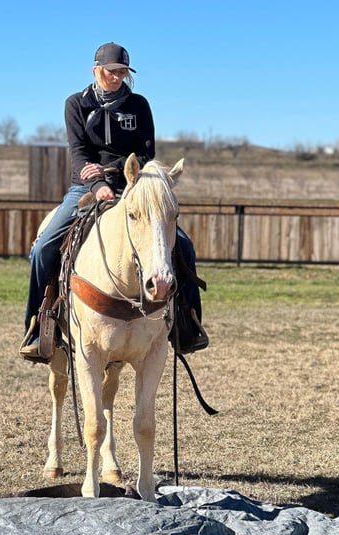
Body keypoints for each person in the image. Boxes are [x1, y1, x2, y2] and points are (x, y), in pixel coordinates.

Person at [20, 42, 208, 361]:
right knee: (43, 247)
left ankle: (187, 326)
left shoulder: (139, 105)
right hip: (84, 188)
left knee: (183, 245)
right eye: (112, 71)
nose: (117, 77)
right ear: (97, 70)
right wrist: (95, 183)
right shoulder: (75, 104)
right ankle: (38, 327)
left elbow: (147, 154)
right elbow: (79, 153)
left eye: (122, 72)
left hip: (133, 186)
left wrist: (116, 171)